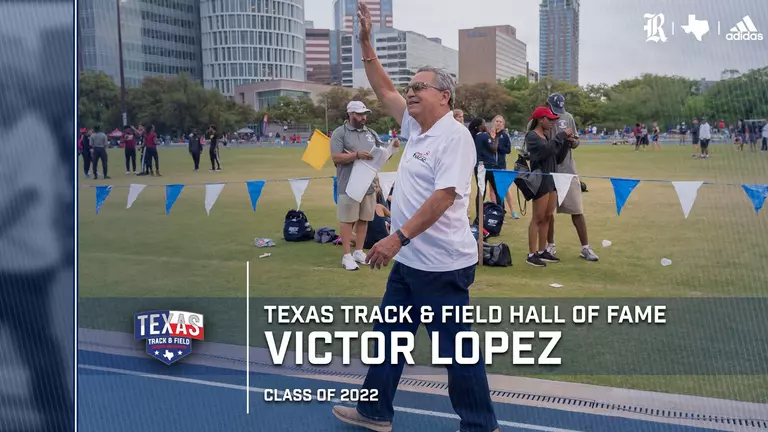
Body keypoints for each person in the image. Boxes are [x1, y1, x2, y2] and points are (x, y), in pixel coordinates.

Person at [331, 3, 499, 432]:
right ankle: (374, 411)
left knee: (456, 354)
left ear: (444, 96)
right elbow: (384, 88)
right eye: (411, 86)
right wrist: (366, 42)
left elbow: (444, 197)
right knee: (388, 341)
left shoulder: (454, 136)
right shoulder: (416, 128)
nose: (410, 91)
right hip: (409, 263)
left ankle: (480, 425)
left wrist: (396, 238)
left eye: (420, 86)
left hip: (440, 266)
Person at [537, 94, 599, 262]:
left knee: (577, 210)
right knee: (548, 212)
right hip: (549, 170)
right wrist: (562, 136)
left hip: (568, 169)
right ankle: (550, 245)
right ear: (547, 105)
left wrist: (572, 142)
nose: (557, 113)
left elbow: (577, 141)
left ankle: (585, 247)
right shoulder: (540, 119)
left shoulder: (568, 117)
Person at [330, 100, 387, 271]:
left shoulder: (371, 132)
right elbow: (336, 158)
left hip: (368, 183)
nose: (363, 117)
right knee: (348, 220)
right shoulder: (340, 133)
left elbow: (382, 152)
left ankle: (359, 252)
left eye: (365, 114)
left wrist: (391, 148)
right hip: (349, 183)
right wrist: (356, 155)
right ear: (351, 114)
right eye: (360, 114)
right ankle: (346, 255)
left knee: (364, 219)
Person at [524, 106, 570, 267]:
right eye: (549, 119)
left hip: (551, 179)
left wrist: (565, 144)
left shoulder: (546, 136)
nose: (552, 122)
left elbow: (556, 158)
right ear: (540, 119)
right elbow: (546, 150)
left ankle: (543, 251)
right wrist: (562, 135)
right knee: (537, 217)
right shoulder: (532, 136)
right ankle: (531, 254)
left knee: (547, 217)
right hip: (540, 179)